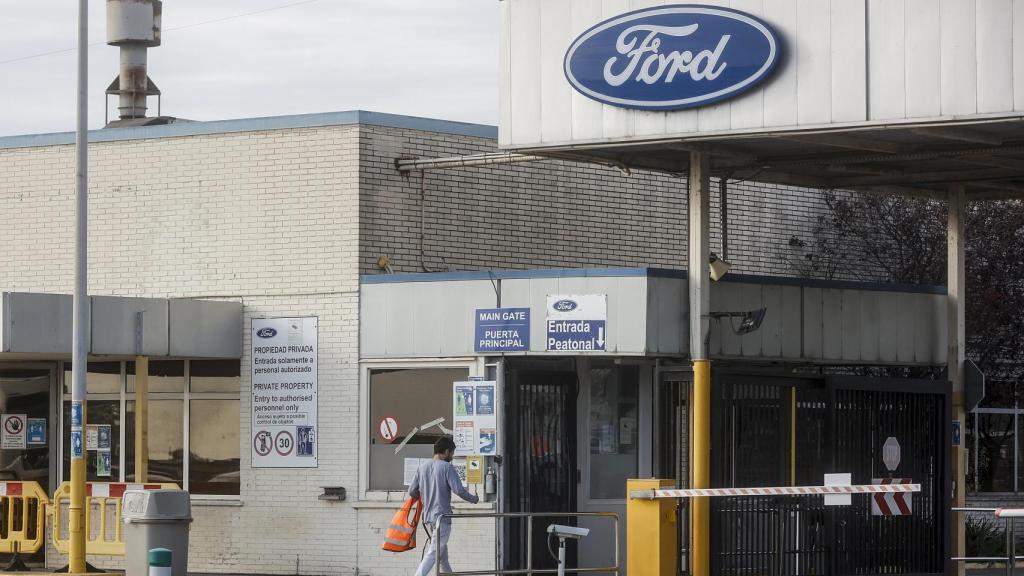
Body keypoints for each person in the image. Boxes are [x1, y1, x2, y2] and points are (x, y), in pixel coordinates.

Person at [408, 437, 479, 576]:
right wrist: (474, 499)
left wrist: (425, 494)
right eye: (452, 453)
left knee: (442, 556)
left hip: (429, 517)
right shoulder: (447, 467)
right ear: (446, 451)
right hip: (442, 517)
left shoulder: (422, 467)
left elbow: (412, 491)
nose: (452, 457)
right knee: (434, 552)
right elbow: (459, 490)